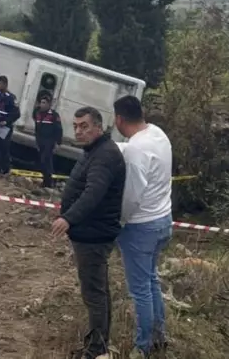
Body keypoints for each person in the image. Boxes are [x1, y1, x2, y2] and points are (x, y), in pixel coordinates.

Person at [51, 107, 126, 359]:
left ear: (99, 127)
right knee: (98, 292)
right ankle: (98, 343)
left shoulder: (104, 155)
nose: (79, 131)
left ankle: (96, 349)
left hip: (94, 235)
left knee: (94, 294)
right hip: (90, 233)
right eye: (75, 126)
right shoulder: (94, 151)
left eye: (84, 126)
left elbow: (93, 193)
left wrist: (68, 218)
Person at [113, 96, 173, 358]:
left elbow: (133, 195)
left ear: (118, 119)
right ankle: (160, 336)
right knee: (151, 281)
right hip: (163, 219)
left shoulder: (136, 148)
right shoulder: (157, 134)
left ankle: (143, 346)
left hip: (140, 226)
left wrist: (120, 220)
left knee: (140, 291)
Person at [34, 93, 63, 189]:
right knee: (41, 162)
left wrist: (58, 143)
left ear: (49, 104)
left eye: (44, 103)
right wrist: (37, 141)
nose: (42, 105)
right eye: (41, 102)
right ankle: (45, 181)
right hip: (40, 141)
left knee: (46, 160)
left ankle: (49, 182)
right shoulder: (37, 113)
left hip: (49, 141)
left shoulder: (54, 115)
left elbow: (58, 129)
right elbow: (37, 128)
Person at [0, 75, 20, 176]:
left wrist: (7, 121)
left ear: (5, 84)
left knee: (4, 148)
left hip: (5, 127)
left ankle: (5, 169)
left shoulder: (11, 98)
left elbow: (16, 114)